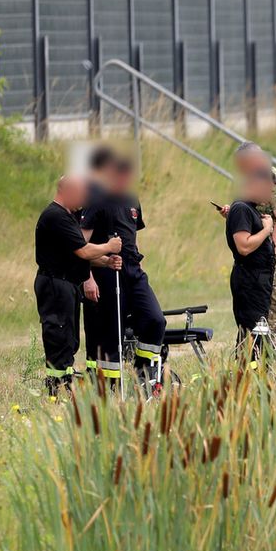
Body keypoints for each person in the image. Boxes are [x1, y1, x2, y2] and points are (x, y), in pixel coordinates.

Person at [81, 147, 165, 393]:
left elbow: (132, 236)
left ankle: (143, 368)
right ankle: (110, 389)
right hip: (107, 271)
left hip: (133, 269)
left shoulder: (132, 200)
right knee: (111, 335)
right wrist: (89, 276)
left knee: (155, 319)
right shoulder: (95, 202)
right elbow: (81, 246)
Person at [33, 175, 121, 396]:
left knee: (70, 338)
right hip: (55, 285)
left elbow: (77, 255)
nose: (84, 199)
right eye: (81, 194)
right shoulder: (55, 216)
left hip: (68, 284)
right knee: (59, 336)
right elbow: (84, 250)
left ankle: (64, 385)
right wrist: (108, 246)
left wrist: (106, 262)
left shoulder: (68, 216)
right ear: (67, 191)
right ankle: (56, 389)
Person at [227, 143, 276, 348]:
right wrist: (232, 213)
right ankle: (248, 354)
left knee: (270, 303)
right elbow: (250, 210)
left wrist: (269, 256)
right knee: (251, 305)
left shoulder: (275, 180)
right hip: (259, 249)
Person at [222, 167, 276, 361]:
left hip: (258, 283)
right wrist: (267, 229)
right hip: (249, 282)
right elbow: (244, 246)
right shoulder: (242, 208)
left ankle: (251, 376)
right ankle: (249, 376)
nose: (270, 197)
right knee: (253, 335)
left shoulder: (247, 209)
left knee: (257, 335)